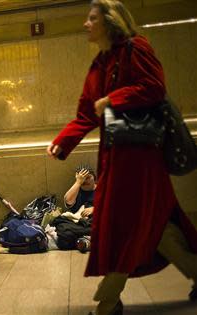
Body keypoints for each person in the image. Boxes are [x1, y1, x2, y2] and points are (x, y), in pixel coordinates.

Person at [46, 1, 197, 314]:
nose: (86, 24)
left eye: (92, 19)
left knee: (127, 223)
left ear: (110, 21)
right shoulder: (99, 64)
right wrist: (63, 142)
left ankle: (108, 301)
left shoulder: (136, 48)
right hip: (118, 159)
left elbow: (154, 87)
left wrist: (114, 99)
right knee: (155, 226)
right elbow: (86, 113)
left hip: (142, 161)